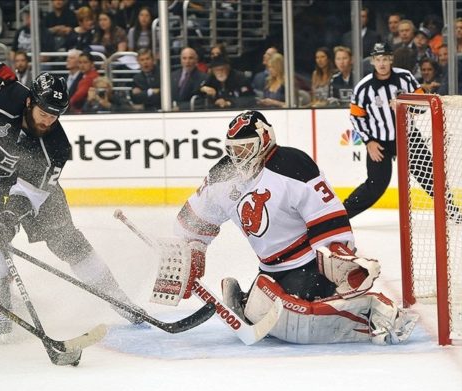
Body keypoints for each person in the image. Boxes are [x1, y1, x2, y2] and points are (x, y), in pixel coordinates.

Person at [172, 110, 417, 345]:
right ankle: (253, 302)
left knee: (294, 321)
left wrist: (338, 258)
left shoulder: (291, 164)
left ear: (265, 140)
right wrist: (191, 248)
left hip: (307, 265)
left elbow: (328, 217)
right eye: (233, 149)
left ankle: (373, 310)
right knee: (263, 311)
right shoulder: (223, 175)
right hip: (269, 269)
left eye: (245, 148)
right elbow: (193, 220)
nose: (238, 156)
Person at [0, 68, 143, 323]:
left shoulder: (57, 147)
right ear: (29, 101)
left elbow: (30, 193)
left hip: (28, 187)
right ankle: (3, 314)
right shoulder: (4, 98)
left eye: (55, 115)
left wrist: (9, 218)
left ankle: (119, 300)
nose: (48, 121)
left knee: (67, 240)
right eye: (44, 113)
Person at [343, 43, 427, 219]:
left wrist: (404, 106)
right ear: (373, 61)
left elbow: (423, 106)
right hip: (379, 141)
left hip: (408, 137)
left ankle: (451, 210)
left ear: (391, 60)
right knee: (376, 185)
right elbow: (356, 117)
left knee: (429, 176)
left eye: (385, 59)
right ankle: (341, 216)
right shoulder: (363, 87)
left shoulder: (406, 77)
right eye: (378, 59)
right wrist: (368, 142)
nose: (382, 63)